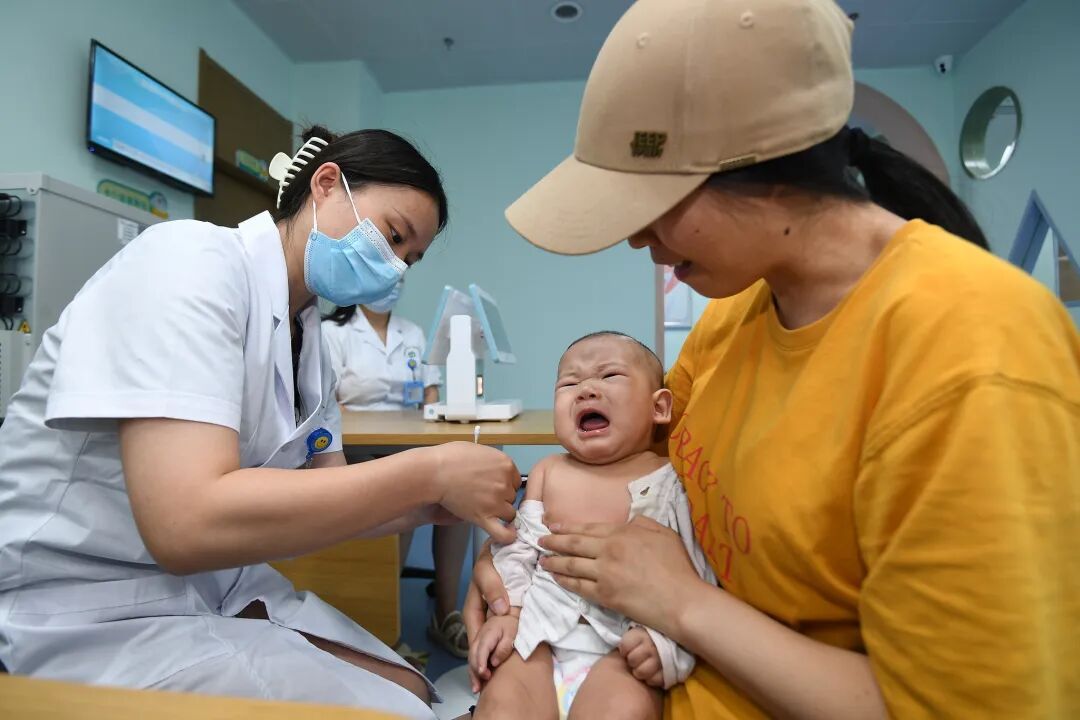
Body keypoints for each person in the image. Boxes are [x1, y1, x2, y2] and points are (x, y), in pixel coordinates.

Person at [465, 1, 1080, 718]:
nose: (636, 240)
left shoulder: (972, 355)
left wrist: (683, 604)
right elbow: (629, 470)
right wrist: (518, 573)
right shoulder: (736, 314)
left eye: (649, 204)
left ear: (766, 169)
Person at [0, 126, 521, 719]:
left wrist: (441, 506)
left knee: (412, 688)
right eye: (394, 236)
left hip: (213, 580)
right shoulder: (188, 262)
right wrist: (430, 472)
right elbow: (182, 524)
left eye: (409, 259)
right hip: (83, 599)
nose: (395, 269)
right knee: (396, 712)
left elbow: (334, 491)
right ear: (327, 185)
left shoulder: (309, 339)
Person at [469, 331, 716, 720]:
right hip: (538, 634)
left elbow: (694, 569)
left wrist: (665, 643)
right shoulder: (548, 472)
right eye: (569, 384)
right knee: (501, 704)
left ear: (659, 407)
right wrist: (509, 613)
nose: (585, 390)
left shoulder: (671, 478)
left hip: (626, 643)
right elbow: (518, 548)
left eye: (609, 375)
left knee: (624, 709)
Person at [322, 285, 473, 659]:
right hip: (355, 445)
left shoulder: (413, 333)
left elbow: (430, 393)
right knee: (403, 491)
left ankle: (446, 613)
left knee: (462, 485)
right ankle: (384, 625)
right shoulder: (333, 332)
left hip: (408, 441)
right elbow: (328, 402)